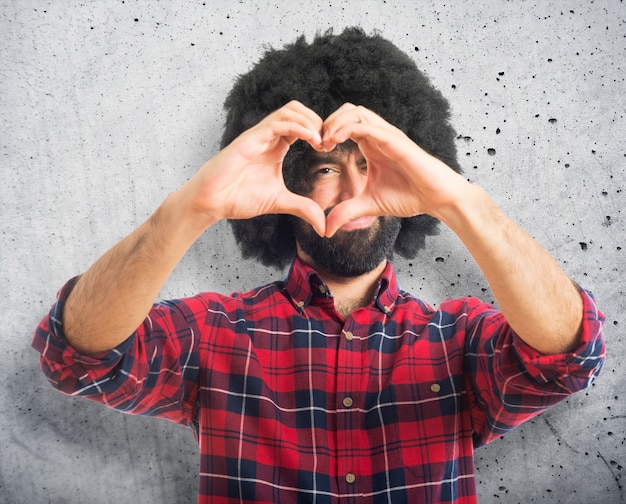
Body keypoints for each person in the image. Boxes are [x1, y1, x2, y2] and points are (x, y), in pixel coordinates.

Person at [33, 27, 605, 504]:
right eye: (329, 168)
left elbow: (569, 358)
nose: (355, 189)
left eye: (372, 164)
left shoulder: (456, 340)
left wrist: (463, 202)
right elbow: (77, 358)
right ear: (290, 179)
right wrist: (187, 211)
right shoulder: (216, 334)